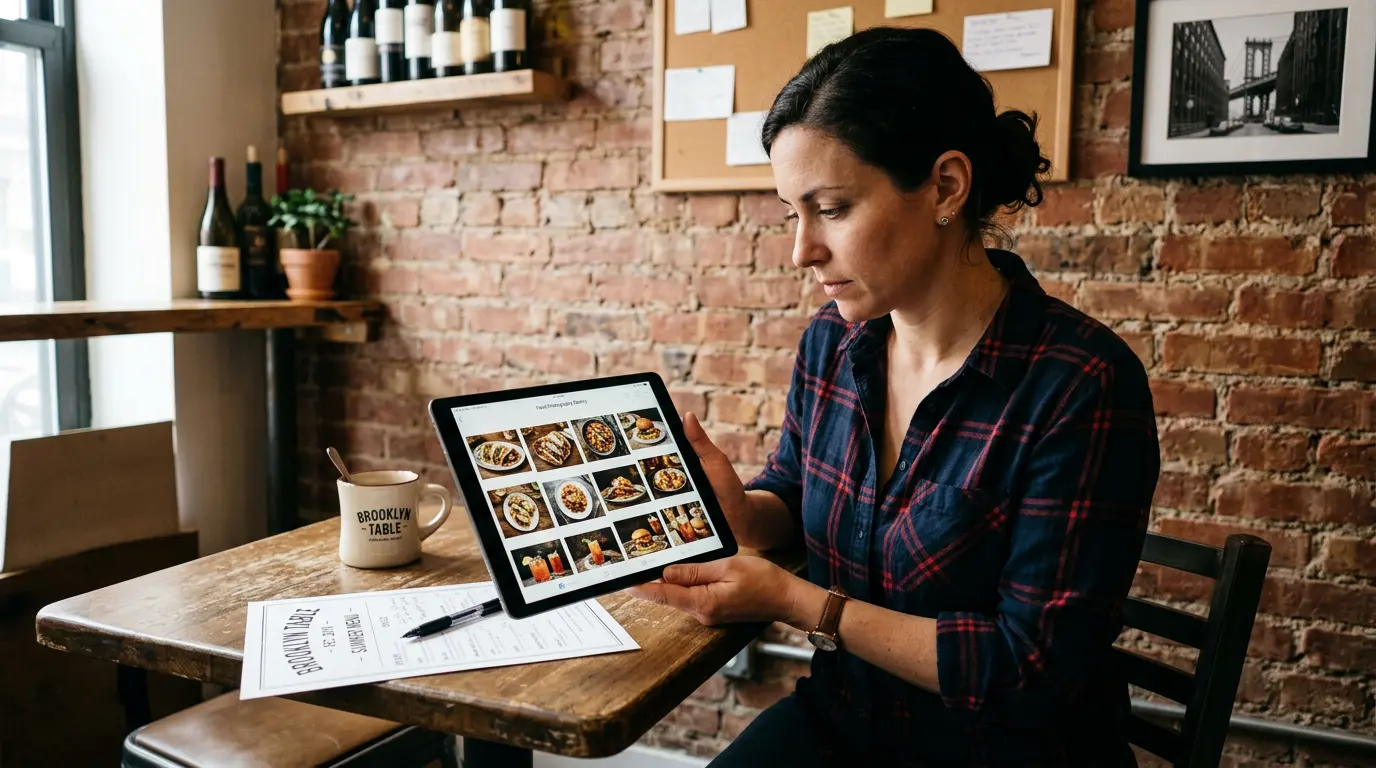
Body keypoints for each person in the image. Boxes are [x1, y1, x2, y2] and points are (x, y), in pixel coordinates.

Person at [629, 26, 1161, 767]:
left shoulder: (1079, 383)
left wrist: (793, 600)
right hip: (848, 715)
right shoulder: (833, 343)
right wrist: (743, 512)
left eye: (832, 208)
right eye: (793, 212)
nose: (802, 250)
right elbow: (795, 489)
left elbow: (1029, 673)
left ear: (945, 186)